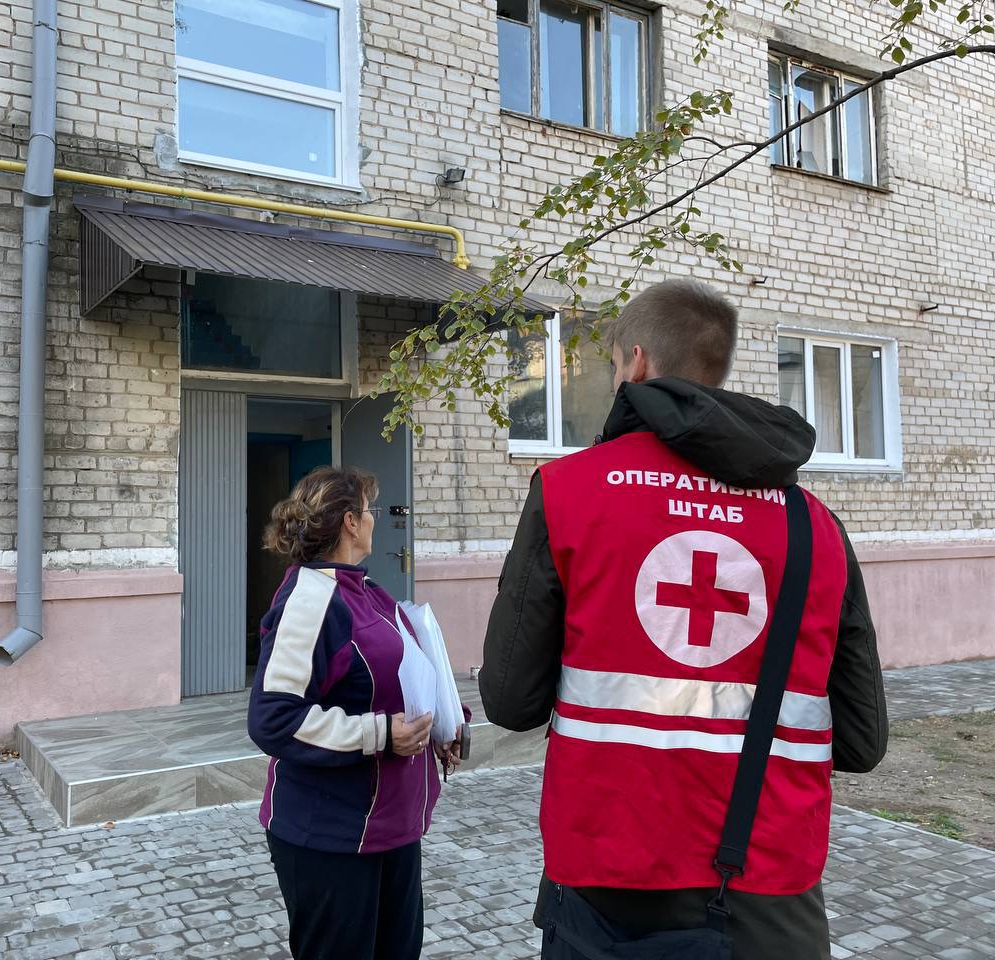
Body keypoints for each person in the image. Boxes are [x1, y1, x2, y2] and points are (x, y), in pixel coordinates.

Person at [480, 279, 889, 960]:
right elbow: (861, 741)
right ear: (717, 370)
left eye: (612, 366)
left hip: (604, 881)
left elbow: (510, 699)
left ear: (636, 364)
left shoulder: (569, 491)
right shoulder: (814, 525)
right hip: (768, 892)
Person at [248, 465, 464, 960]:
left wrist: (445, 724)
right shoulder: (310, 600)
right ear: (349, 521)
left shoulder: (369, 592)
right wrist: (380, 734)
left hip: (392, 828)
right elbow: (273, 718)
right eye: (369, 511)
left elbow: (400, 677)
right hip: (332, 836)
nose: (374, 521)